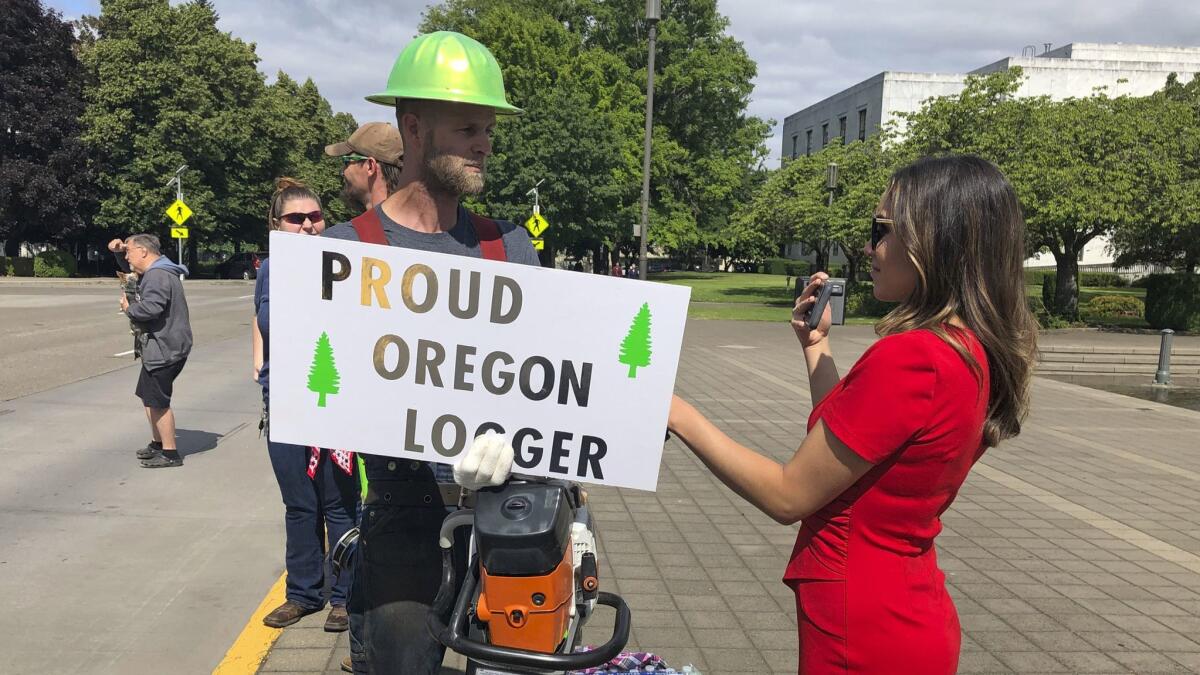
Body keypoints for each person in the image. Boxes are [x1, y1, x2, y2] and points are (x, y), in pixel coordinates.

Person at [666, 155, 1039, 674]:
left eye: (882, 229)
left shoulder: (913, 357)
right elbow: (849, 448)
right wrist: (816, 350)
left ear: (936, 239)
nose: (869, 246)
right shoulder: (967, 349)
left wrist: (678, 413)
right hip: (903, 610)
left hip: (861, 631)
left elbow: (788, 494)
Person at [321, 31, 535, 675]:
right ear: (413, 128)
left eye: (489, 129)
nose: (485, 144)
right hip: (401, 519)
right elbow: (320, 396)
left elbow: (543, 383)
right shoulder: (347, 252)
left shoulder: (510, 248)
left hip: (509, 517)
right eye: (468, 126)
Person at [253, 178, 361, 633]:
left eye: (314, 217)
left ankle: (345, 596)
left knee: (339, 504)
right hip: (286, 403)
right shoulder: (269, 271)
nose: (308, 226)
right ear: (277, 226)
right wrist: (261, 370)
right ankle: (303, 594)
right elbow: (262, 321)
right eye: (296, 218)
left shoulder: (345, 267)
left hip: (333, 400)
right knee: (298, 505)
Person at [119, 234, 192, 468]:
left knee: (159, 401)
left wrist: (130, 309)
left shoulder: (157, 275)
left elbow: (152, 308)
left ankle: (170, 453)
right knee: (148, 396)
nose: (127, 257)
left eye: (128, 251)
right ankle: (158, 443)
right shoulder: (158, 271)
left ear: (143, 251)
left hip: (164, 347)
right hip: (163, 346)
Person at [324, 122, 404, 213]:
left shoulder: (356, 227)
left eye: (347, 161)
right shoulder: (416, 222)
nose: (343, 172)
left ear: (370, 166)